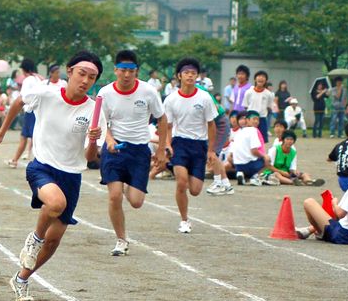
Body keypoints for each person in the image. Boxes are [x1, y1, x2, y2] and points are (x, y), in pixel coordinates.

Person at [0, 51, 103, 301]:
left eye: (91, 77)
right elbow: (19, 102)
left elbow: (90, 156)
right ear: (69, 72)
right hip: (42, 167)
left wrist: (93, 139)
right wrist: (1, 132)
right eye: (81, 74)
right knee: (55, 204)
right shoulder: (46, 93)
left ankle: (21, 279)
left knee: (54, 241)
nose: (85, 80)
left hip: (71, 175)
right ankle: (34, 239)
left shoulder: (94, 110)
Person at [98, 49, 168, 256]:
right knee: (114, 196)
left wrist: (162, 149)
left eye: (131, 70)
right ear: (116, 70)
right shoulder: (105, 93)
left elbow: (162, 119)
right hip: (115, 149)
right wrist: (109, 140)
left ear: (137, 71)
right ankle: (121, 239)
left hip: (139, 150)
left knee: (136, 202)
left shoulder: (148, 92)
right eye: (123, 70)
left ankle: (128, 184)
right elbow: (102, 123)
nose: (127, 75)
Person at [164, 58, 218, 233]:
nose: (190, 76)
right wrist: (167, 145)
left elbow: (211, 124)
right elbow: (168, 126)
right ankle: (184, 219)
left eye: (193, 73)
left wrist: (211, 150)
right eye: (186, 73)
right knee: (181, 182)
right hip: (179, 143)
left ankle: (189, 183)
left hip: (199, 145)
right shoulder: (171, 99)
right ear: (179, 76)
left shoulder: (204, 98)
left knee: (194, 190)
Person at [296, 148, 348, 244]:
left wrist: (334, 202)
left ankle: (319, 232)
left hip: (344, 235)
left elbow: (339, 214)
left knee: (309, 202)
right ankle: (312, 230)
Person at [6, 59, 42, 168]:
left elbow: (22, 97)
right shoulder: (38, 78)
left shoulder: (28, 80)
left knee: (31, 138)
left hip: (31, 111)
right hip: (37, 111)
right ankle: (15, 160)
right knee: (25, 136)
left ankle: (39, 162)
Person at [225, 110, 266, 185]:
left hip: (238, 166)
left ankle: (240, 174)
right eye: (254, 119)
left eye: (257, 119)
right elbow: (254, 151)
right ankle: (254, 177)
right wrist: (264, 156)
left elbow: (230, 155)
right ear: (248, 120)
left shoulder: (238, 133)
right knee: (266, 159)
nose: (256, 121)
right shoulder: (253, 130)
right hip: (249, 164)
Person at [243, 69, 273, 142]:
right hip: (250, 118)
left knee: (261, 140)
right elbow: (245, 106)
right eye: (259, 76)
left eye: (263, 77)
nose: (261, 78)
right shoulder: (248, 92)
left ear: (266, 80)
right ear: (255, 79)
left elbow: (269, 107)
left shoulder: (269, 94)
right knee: (249, 139)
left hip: (262, 118)